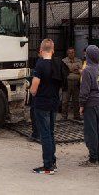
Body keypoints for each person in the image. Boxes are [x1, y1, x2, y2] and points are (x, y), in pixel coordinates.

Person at [29, 39, 61, 175]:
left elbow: (34, 88)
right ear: (53, 50)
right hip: (54, 102)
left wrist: (30, 90)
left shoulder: (40, 65)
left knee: (45, 134)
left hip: (42, 104)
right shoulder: (57, 64)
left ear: (41, 51)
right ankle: (52, 162)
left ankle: (48, 166)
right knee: (51, 133)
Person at [79, 45, 99, 166]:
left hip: (90, 104)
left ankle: (93, 158)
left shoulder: (87, 70)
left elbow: (85, 90)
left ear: (88, 56)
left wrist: (81, 104)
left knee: (91, 132)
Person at [61, 47, 82, 120]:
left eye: (72, 52)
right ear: (67, 53)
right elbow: (64, 71)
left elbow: (81, 70)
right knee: (65, 101)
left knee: (76, 100)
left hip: (77, 83)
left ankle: (77, 116)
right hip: (67, 83)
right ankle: (64, 116)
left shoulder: (79, 60)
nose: (71, 54)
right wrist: (75, 69)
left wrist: (70, 69)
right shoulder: (63, 61)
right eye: (69, 52)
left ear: (74, 53)